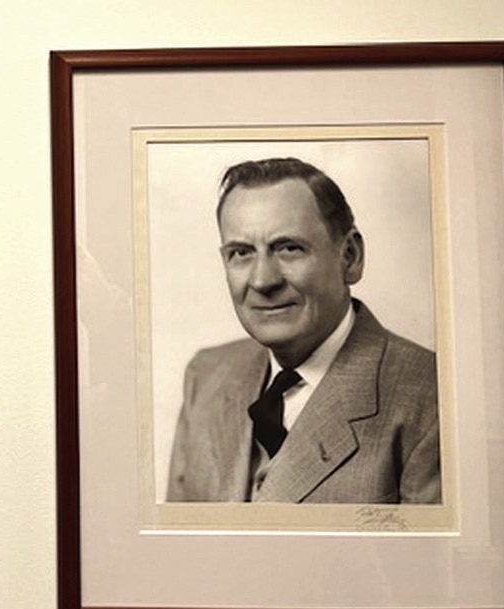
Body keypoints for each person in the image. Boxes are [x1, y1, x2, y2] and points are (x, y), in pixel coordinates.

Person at [166, 158, 440, 504]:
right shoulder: (205, 377)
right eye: (241, 253)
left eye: (289, 248)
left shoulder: (433, 398)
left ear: (350, 257)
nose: (262, 280)